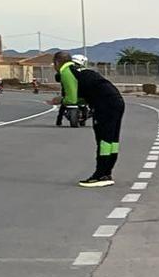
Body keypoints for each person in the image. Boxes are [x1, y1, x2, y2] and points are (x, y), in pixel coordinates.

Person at [53, 52, 127, 186]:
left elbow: (71, 99)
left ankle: (100, 175)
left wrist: (59, 100)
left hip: (104, 104)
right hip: (116, 100)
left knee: (103, 140)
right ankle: (106, 173)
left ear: (57, 63)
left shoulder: (66, 71)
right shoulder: (80, 70)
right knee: (112, 140)